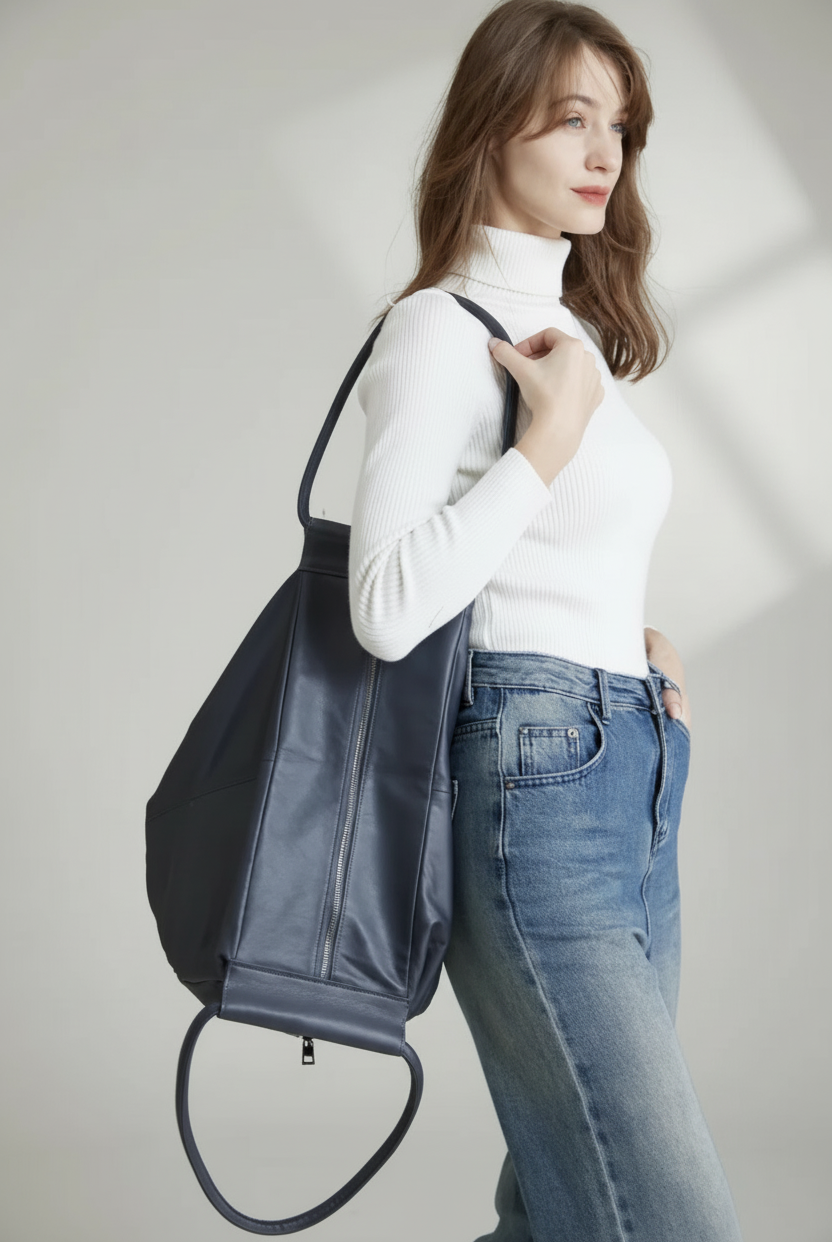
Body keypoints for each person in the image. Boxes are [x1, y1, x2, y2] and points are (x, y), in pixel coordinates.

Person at [347, 1, 744, 1238]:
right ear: (489, 122)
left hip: (631, 763)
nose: (602, 152)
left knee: (570, 1207)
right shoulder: (436, 329)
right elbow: (385, 606)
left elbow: (552, 561)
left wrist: (641, 657)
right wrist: (547, 445)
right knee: (666, 1217)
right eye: (571, 118)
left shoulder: (569, 335)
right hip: (535, 779)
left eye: (619, 126)